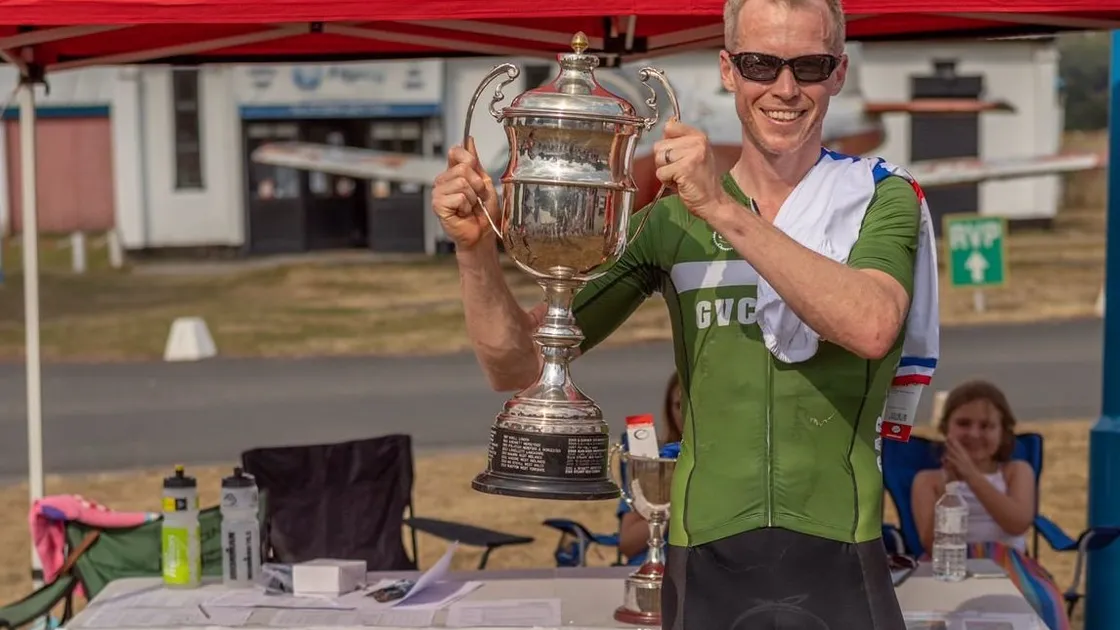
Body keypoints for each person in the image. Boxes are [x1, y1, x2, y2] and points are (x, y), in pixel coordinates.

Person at [430, 0, 939, 625]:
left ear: (838, 73)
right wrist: (475, 250)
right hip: (705, 558)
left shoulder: (880, 196)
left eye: (809, 66)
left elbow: (872, 324)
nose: (785, 88)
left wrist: (724, 210)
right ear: (728, 70)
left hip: (839, 552)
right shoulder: (671, 221)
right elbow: (517, 367)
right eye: (760, 64)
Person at [911, 380, 1070, 630]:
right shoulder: (927, 481)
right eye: (963, 423)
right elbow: (931, 542)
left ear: (1004, 432)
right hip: (946, 562)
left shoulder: (1015, 472)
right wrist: (949, 486)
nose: (974, 434)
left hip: (1007, 560)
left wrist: (972, 476)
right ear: (945, 428)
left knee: (1041, 602)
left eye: (986, 426)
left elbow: (1017, 523)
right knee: (926, 611)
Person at [617, 373, 683, 562]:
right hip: (653, 566)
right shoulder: (653, 461)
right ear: (669, 410)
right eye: (678, 405)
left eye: (693, 405)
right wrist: (672, 506)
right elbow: (627, 543)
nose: (686, 414)